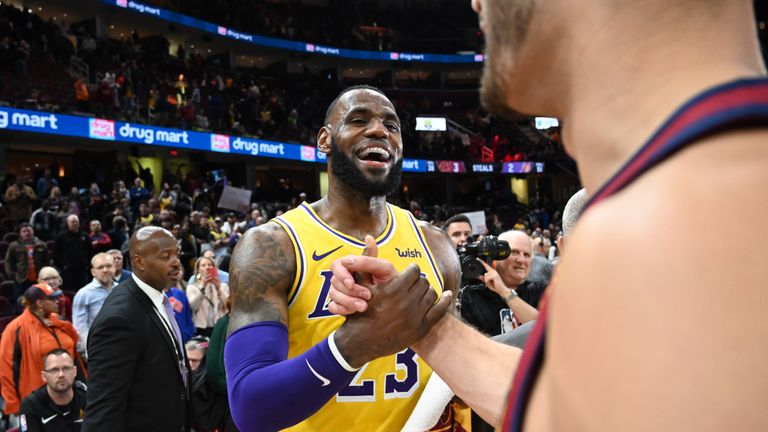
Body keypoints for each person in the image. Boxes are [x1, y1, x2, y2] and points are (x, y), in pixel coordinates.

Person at [328, 0, 768, 430]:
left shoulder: (701, 214)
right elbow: (569, 409)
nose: (477, 3)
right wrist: (422, 326)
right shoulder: (689, 192)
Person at [223, 85, 454, 431]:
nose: (379, 130)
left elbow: (455, 371)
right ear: (325, 140)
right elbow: (250, 408)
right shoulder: (273, 245)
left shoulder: (435, 244)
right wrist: (353, 345)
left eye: (392, 126)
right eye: (359, 120)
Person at [82, 227, 191, 432]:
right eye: (165, 256)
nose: (176, 262)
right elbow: (103, 410)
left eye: (177, 254)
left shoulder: (158, 297)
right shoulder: (119, 320)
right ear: (139, 262)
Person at [0, 284, 83, 418]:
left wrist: (61, 324)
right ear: (39, 303)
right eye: (52, 298)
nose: (59, 300)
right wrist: (14, 405)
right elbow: (6, 371)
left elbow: (74, 348)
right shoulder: (15, 329)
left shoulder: (57, 321)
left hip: (70, 394)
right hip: (38, 401)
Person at [19, 349, 87, 432]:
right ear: (44, 376)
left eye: (66, 368)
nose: (61, 375)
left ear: (74, 371)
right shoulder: (31, 405)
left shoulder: (87, 398)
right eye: (54, 370)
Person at [72, 253, 115, 357]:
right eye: (100, 267)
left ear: (114, 267)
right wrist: (88, 352)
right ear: (93, 272)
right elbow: (80, 327)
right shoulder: (83, 294)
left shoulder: (121, 290)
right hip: (98, 350)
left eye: (109, 266)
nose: (105, 270)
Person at [4, 223, 50, 304]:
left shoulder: (41, 244)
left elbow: (47, 261)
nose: (26, 233)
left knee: (38, 303)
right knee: (21, 303)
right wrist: (13, 275)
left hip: (38, 279)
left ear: (33, 231)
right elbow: (8, 261)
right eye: (24, 231)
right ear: (20, 233)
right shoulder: (14, 245)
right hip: (21, 280)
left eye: (28, 230)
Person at [187, 256, 229, 337]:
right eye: (203, 265)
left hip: (220, 327)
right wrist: (203, 286)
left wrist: (218, 289)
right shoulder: (192, 287)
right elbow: (193, 306)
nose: (207, 267)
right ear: (198, 269)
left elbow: (228, 305)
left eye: (209, 265)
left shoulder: (223, 286)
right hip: (202, 329)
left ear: (214, 268)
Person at [53, 215, 92, 292]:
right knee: (69, 291)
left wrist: (87, 264)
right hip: (67, 270)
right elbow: (56, 253)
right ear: (68, 223)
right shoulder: (61, 237)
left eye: (76, 221)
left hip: (82, 269)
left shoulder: (85, 236)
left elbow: (90, 251)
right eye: (72, 222)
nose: (74, 223)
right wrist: (62, 265)